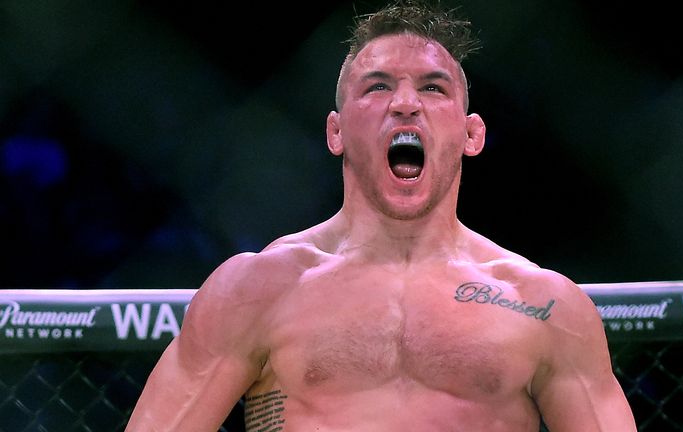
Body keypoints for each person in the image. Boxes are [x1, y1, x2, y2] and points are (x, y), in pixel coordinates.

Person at [125, 0, 637, 430]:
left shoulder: (544, 304)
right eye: (377, 86)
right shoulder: (256, 288)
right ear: (336, 131)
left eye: (434, 88)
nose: (406, 103)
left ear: (471, 134)